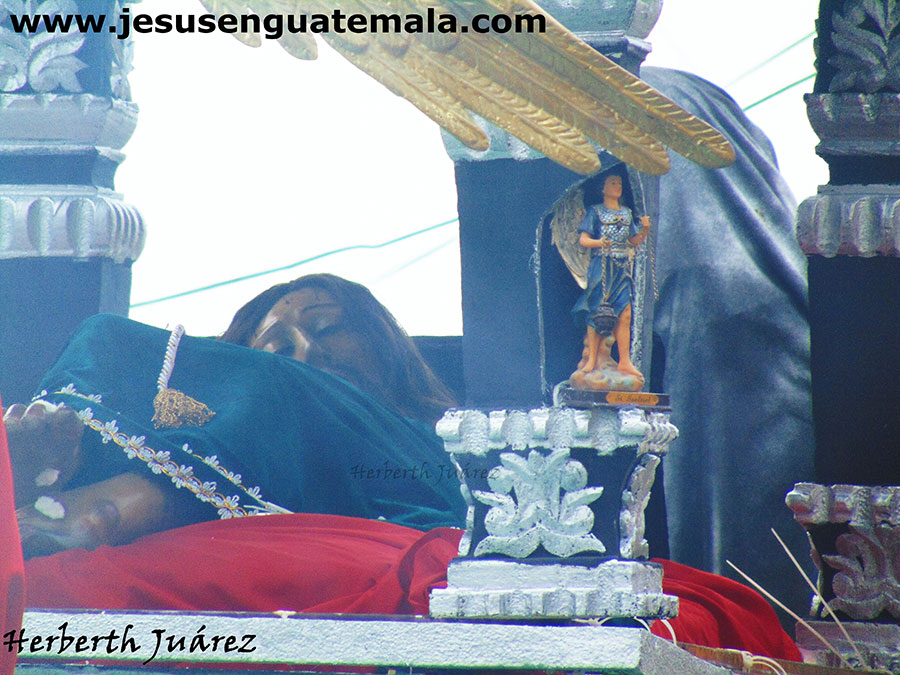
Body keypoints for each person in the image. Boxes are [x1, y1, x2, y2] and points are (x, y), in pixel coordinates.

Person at [7, 274, 466, 558]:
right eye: (277, 346)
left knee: (275, 388)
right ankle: (58, 453)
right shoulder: (246, 415)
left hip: (352, 497)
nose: (304, 349)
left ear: (383, 342)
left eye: (327, 328)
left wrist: (278, 379)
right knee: (105, 332)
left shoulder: (441, 439)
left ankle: (89, 511)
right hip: (241, 475)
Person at [570, 172, 651, 386]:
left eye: (619, 183)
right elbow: (584, 240)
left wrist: (644, 230)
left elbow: (633, 241)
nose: (617, 186)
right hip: (601, 266)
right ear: (603, 189)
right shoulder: (595, 212)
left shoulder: (626, 213)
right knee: (597, 311)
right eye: (612, 183)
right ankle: (592, 360)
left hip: (622, 267)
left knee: (625, 313)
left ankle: (624, 361)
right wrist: (599, 243)